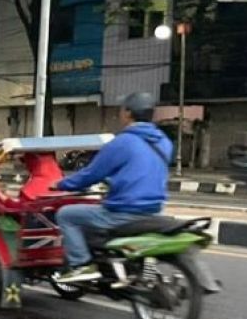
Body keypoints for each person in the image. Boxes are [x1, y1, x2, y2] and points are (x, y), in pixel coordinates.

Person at [54, 92, 173, 282]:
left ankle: (81, 264)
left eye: (121, 109)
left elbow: (91, 174)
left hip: (122, 213)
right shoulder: (164, 142)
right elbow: (141, 170)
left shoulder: (122, 142)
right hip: (154, 211)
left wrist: (61, 184)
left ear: (127, 113)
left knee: (66, 215)